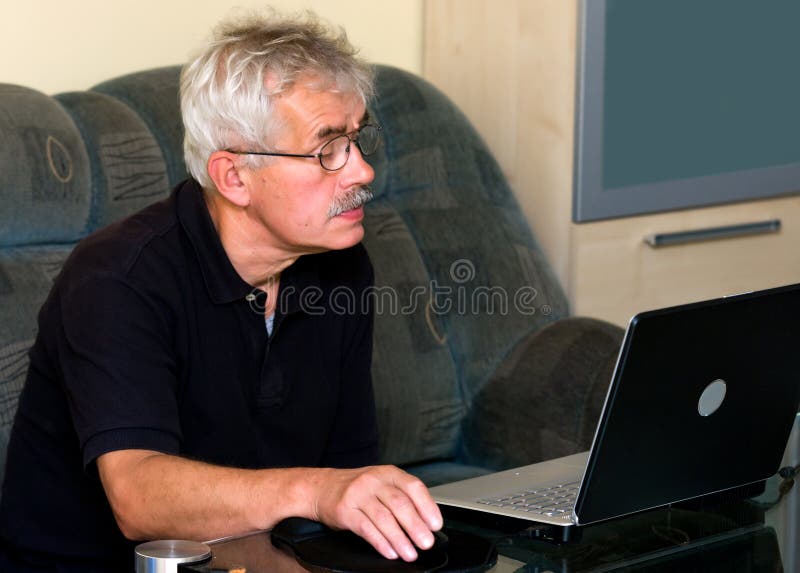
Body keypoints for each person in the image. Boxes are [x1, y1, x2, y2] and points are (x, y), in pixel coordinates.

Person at [0, 11, 442, 572]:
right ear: (234, 177)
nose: (362, 171)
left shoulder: (340, 264)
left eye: (358, 139)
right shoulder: (117, 278)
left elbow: (350, 467)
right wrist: (317, 492)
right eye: (328, 147)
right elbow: (138, 498)